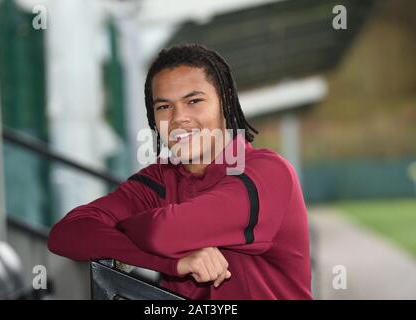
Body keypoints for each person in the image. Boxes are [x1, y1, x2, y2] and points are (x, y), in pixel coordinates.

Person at [48, 44, 312, 300]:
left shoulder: (268, 173)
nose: (178, 118)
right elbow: (67, 234)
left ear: (225, 102)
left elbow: (162, 232)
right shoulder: (158, 180)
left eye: (194, 100)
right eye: (164, 107)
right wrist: (175, 263)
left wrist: (124, 228)